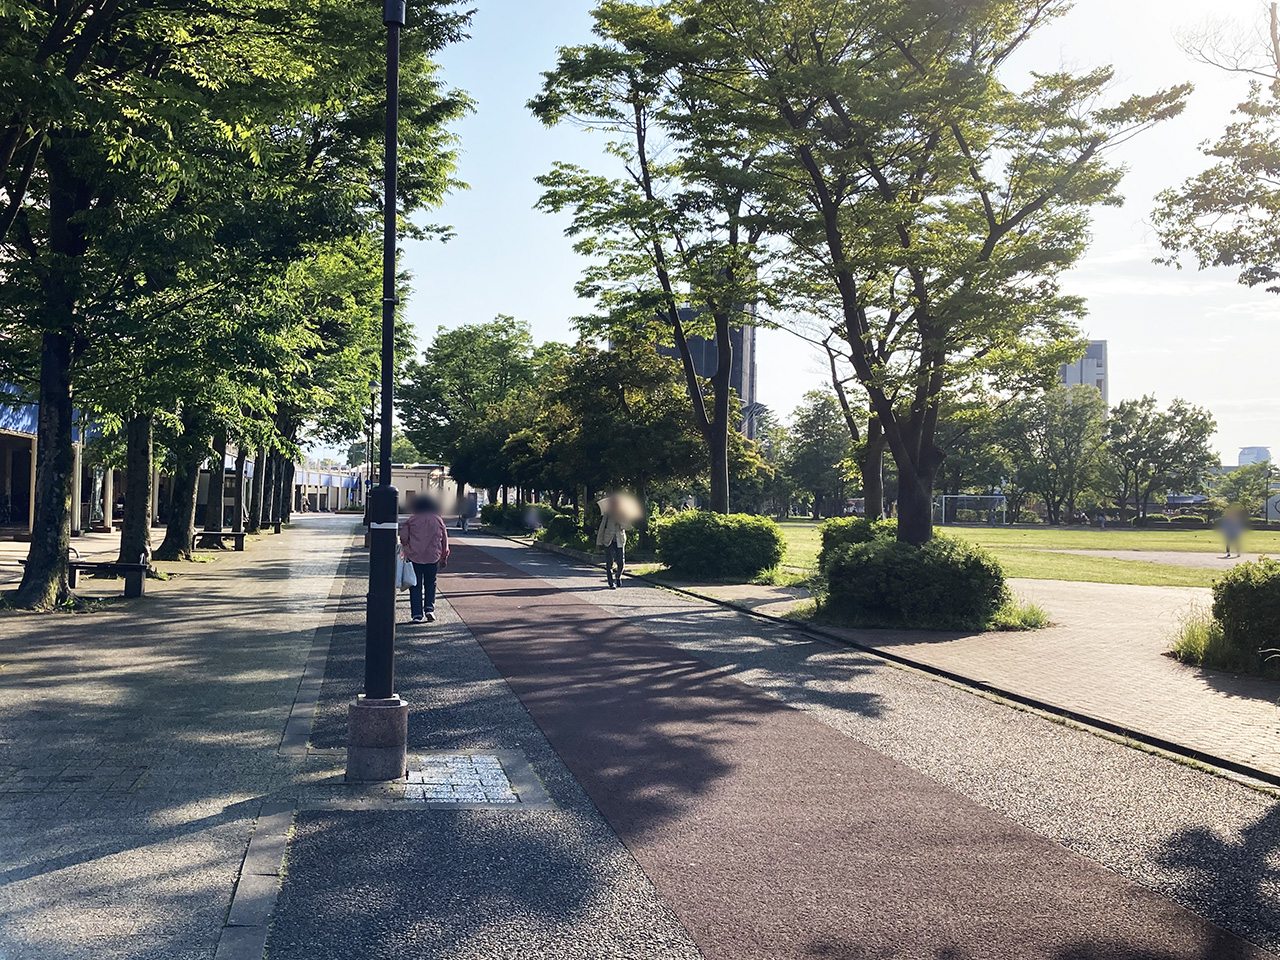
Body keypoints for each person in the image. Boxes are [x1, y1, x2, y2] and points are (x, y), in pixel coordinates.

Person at [400, 494, 449, 622]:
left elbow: (403, 538)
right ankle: (429, 608)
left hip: (414, 556)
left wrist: (408, 547)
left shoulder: (411, 520)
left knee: (415, 585)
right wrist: (444, 558)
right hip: (433, 557)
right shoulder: (438, 520)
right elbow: (444, 541)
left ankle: (417, 614)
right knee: (430, 583)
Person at [596, 495, 629, 590]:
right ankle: (611, 582)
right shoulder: (608, 513)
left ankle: (618, 577)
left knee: (621, 562)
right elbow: (602, 527)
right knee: (609, 562)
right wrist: (598, 542)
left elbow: (629, 527)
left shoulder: (624, 513)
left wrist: (621, 523)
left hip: (620, 540)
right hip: (608, 540)